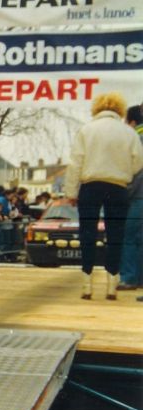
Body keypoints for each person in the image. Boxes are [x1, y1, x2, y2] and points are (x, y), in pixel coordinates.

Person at [64, 93, 143, 300]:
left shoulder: (86, 130)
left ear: (96, 109)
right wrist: (123, 173)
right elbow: (138, 163)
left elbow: (75, 163)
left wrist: (71, 192)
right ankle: (111, 283)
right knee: (116, 236)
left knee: (87, 235)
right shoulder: (129, 133)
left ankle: (87, 283)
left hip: (90, 186)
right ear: (120, 109)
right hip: (118, 187)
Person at [119, 104, 143, 291]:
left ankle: (129, 277)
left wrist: (124, 193)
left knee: (130, 237)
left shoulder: (137, 139)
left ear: (132, 122)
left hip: (138, 197)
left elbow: (136, 173)